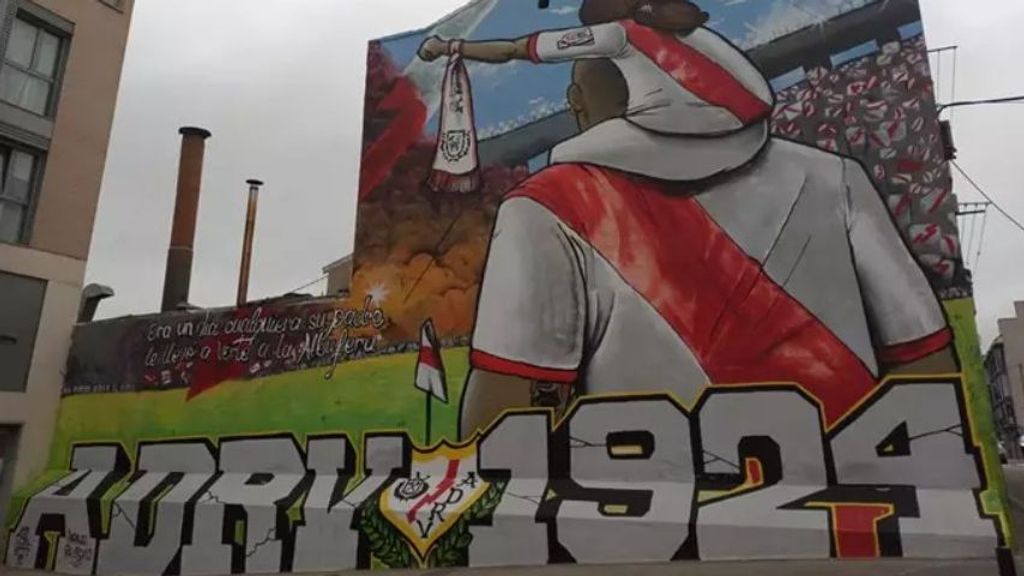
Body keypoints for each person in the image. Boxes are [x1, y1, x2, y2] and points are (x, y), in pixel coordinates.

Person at [420, 0, 957, 438]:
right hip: (857, 493)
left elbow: (499, 426)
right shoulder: (837, 175)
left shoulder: (549, 204)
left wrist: (451, 48)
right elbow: (926, 357)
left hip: (647, 503)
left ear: (578, 106)